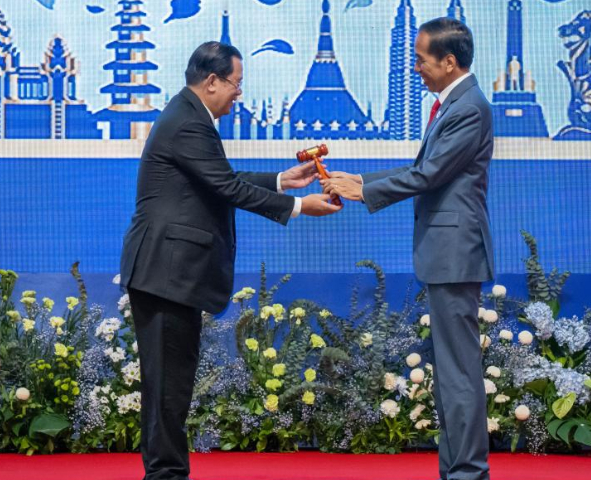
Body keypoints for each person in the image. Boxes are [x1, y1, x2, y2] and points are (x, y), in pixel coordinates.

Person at [119, 41, 340, 480]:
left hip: (171, 273)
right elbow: (227, 187)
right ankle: (165, 475)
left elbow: (220, 179)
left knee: (172, 389)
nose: (239, 93)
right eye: (236, 83)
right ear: (212, 80)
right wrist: (298, 207)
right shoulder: (188, 122)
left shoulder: (189, 116)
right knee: (167, 390)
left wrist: (282, 180)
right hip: (166, 272)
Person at [322, 18, 494, 480]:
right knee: (452, 372)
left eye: (421, 59)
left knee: (458, 373)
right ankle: (457, 470)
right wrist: (362, 180)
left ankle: (468, 472)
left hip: (455, 254)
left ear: (449, 61)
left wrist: (364, 193)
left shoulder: (469, 107)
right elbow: (424, 166)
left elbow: (429, 176)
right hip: (447, 254)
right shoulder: (453, 104)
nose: (415, 68)